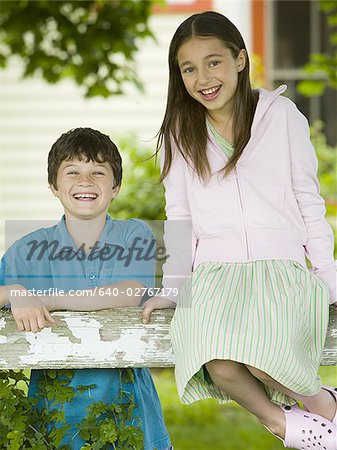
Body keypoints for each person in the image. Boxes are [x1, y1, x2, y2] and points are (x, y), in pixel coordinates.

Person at [141, 11, 337, 450]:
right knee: (220, 363)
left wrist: (327, 274)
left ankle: (325, 408)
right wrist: (174, 287)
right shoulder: (180, 132)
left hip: (279, 267)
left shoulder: (282, 116)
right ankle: (292, 428)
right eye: (188, 68)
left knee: (268, 355)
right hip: (216, 272)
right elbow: (180, 216)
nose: (203, 78)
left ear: (240, 60)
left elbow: (308, 200)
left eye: (214, 62)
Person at [0, 127, 172, 450]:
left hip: (129, 413)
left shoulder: (133, 235)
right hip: (55, 417)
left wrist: (49, 301)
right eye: (72, 171)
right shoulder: (28, 249)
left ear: (115, 186)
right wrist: (16, 293)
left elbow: (130, 291)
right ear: (54, 185)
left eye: (98, 172)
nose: (85, 181)